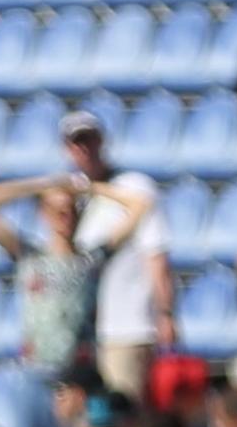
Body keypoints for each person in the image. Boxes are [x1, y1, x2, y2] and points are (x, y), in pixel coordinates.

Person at [0, 175, 151, 380]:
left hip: (81, 377)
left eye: (70, 209)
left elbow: (140, 205)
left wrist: (88, 188)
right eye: (56, 209)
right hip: (36, 371)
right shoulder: (29, 256)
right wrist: (39, 186)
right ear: (43, 213)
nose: (64, 215)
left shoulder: (91, 260)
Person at [61, 111, 173, 404]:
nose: (84, 149)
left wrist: (165, 313)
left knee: (123, 410)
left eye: (89, 140)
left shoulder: (132, 187)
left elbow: (155, 255)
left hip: (128, 325)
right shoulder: (72, 197)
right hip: (88, 331)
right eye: (76, 142)